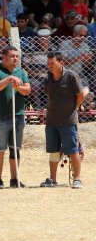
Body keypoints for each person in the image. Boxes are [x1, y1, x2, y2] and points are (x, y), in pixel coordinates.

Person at [0, 46, 31, 188]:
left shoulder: (21, 72)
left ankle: (14, 178)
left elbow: (27, 90)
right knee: (0, 148)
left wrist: (17, 87)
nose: (15, 59)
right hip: (1, 116)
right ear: (4, 57)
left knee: (15, 148)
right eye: (12, 56)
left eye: (17, 56)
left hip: (17, 115)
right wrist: (9, 79)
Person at [41, 52, 85, 188]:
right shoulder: (47, 78)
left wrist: (75, 107)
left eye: (52, 63)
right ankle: (52, 179)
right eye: (48, 63)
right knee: (53, 151)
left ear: (61, 63)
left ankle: (77, 179)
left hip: (68, 121)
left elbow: (80, 95)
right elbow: (49, 95)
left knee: (72, 150)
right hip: (52, 120)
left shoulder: (71, 76)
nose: (49, 66)